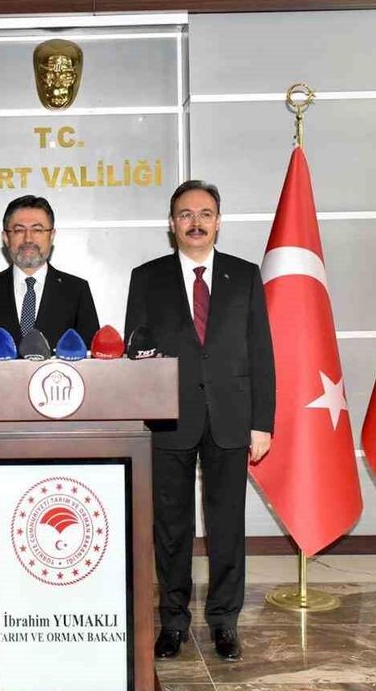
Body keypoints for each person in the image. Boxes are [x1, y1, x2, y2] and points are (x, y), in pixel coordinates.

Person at [123, 180, 275, 662]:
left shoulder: (245, 275)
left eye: (205, 214)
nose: (195, 222)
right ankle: (173, 621)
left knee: (227, 524)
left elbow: (261, 352)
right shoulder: (147, 278)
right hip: (169, 420)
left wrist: (262, 422)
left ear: (218, 222)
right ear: (172, 224)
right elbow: (136, 353)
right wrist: (143, 416)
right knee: (171, 528)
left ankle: (225, 621)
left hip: (231, 418)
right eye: (186, 214)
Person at [0, 195, 99, 347]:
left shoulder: (76, 290)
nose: (28, 239)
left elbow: (90, 355)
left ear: (51, 236)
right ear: (5, 237)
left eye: (37, 230)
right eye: (19, 230)